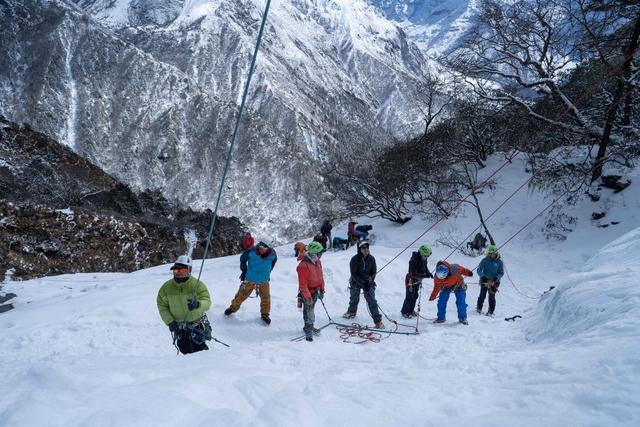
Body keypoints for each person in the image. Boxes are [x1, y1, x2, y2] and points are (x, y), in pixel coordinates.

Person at [156, 255, 212, 354]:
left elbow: (207, 302)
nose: (178, 273)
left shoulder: (197, 285)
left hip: (196, 325)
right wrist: (170, 322)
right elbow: (162, 306)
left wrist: (198, 304)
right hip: (179, 328)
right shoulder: (166, 288)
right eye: (176, 271)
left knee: (199, 350)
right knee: (184, 349)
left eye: (182, 270)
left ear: (189, 270)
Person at [224, 241, 277, 324]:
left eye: (266, 249)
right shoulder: (251, 251)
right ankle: (232, 308)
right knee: (241, 295)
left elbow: (273, 263)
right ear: (259, 245)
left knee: (266, 298)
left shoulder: (273, 253)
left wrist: (267, 272)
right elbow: (242, 259)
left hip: (264, 280)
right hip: (249, 279)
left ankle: (265, 314)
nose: (263, 250)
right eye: (261, 248)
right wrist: (244, 272)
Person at [343, 241, 384, 329]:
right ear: (359, 249)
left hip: (368, 282)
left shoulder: (371, 258)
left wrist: (370, 282)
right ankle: (352, 312)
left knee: (372, 301)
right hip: (356, 281)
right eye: (363, 248)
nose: (366, 249)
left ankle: (378, 321)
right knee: (354, 298)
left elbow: (373, 272)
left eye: (367, 247)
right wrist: (362, 283)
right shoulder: (354, 259)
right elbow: (353, 274)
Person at [297, 241, 326, 342]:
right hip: (307, 292)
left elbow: (320, 277)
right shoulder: (303, 266)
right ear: (314, 253)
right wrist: (307, 297)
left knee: (310, 309)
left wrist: (322, 289)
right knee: (310, 311)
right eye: (319, 253)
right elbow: (302, 284)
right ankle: (308, 329)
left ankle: (308, 326)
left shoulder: (317, 262)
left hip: (315, 291)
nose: (321, 255)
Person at [429, 260, 473, 325]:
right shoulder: (437, 277)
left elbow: (463, 270)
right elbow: (437, 287)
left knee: (461, 302)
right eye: (441, 278)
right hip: (446, 287)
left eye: (444, 277)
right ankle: (441, 318)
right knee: (441, 301)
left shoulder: (455, 268)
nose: (442, 279)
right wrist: (433, 296)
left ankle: (462, 318)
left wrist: (468, 272)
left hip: (459, 285)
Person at [400, 244, 433, 318]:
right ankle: (404, 312)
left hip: (418, 280)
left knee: (415, 296)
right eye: (425, 256)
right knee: (409, 296)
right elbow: (412, 273)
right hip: (411, 280)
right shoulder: (413, 260)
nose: (426, 257)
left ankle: (411, 311)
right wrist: (423, 276)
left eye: (427, 256)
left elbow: (425, 268)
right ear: (421, 253)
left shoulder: (424, 259)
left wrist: (428, 273)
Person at [476, 245, 504, 317]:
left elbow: (501, 272)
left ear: (496, 253)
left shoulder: (499, 262)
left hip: (494, 282)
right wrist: (482, 276)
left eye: (493, 253)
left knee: (492, 296)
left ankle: (491, 311)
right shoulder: (485, 260)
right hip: (484, 280)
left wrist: (496, 279)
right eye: (490, 253)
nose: (492, 255)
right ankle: (479, 308)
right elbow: (479, 270)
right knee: (482, 295)